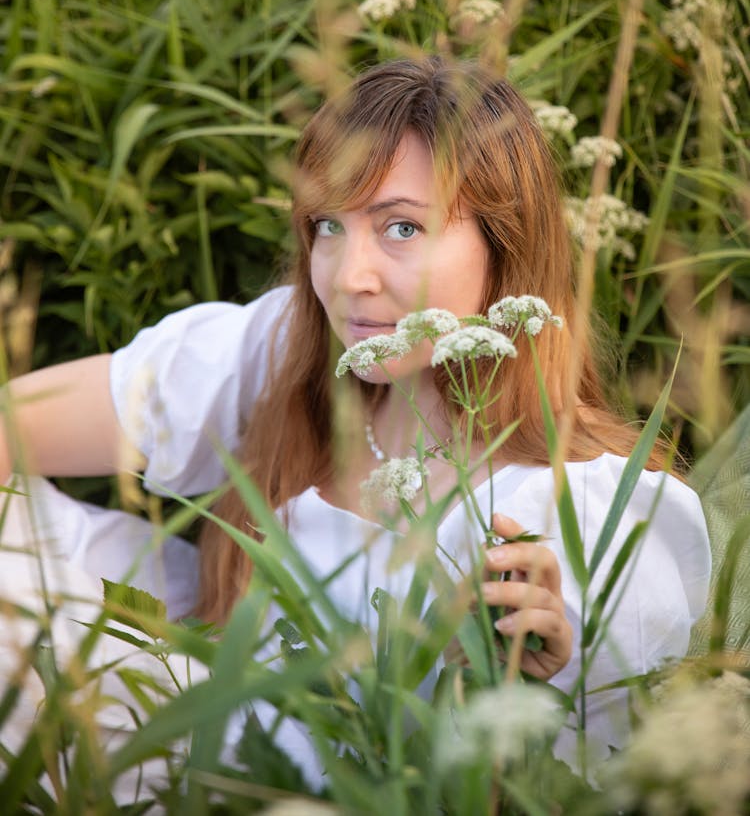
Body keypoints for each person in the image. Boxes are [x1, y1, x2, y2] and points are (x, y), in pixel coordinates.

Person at [0, 55, 711, 789]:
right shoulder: (288, 349)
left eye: (402, 227)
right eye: (329, 225)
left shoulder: (581, 507)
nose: (347, 275)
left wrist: (547, 671)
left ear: (507, 243)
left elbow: (590, 775)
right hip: (199, 683)